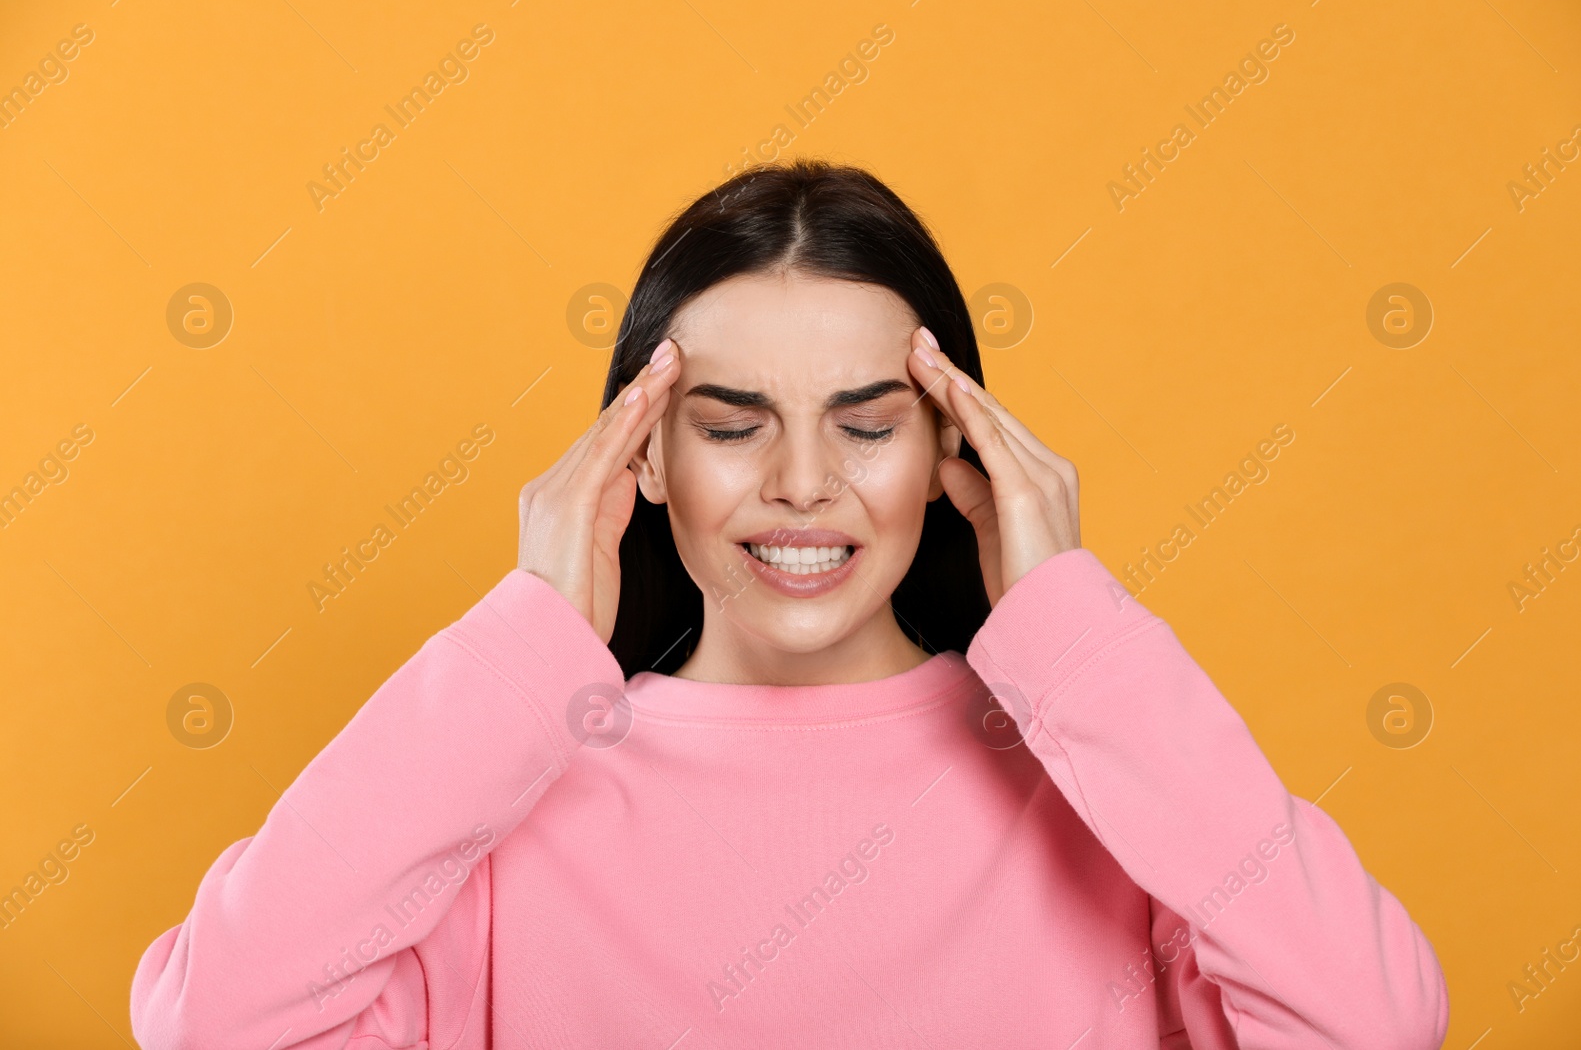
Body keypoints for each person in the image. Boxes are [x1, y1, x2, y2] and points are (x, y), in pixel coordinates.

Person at [129, 158, 1449, 1048]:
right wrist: (522, 645)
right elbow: (214, 1020)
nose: (803, 486)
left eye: (867, 426)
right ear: (641, 454)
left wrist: (1075, 631)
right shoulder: (500, 810)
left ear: (952, 456)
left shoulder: (1108, 797)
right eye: (731, 423)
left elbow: (1373, 1022)